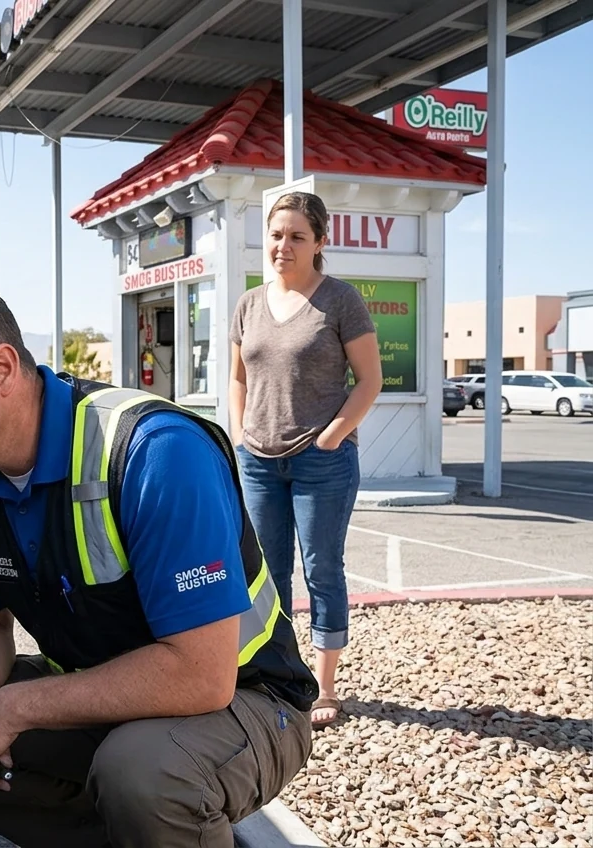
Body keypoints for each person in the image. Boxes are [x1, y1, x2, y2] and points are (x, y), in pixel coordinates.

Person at [0, 278, 319, 848]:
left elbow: (202, 676)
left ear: (3, 368)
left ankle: (158, 822)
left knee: (144, 777)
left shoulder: (154, 450)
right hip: (101, 692)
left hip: (246, 698)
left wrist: (10, 709)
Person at [228, 191, 384, 731]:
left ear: (319, 241)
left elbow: (370, 379)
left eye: (297, 236)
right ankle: (276, 675)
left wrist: (333, 436)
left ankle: (324, 686)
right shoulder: (249, 304)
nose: (283, 246)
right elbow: (237, 378)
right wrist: (240, 433)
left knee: (322, 569)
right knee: (265, 575)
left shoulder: (340, 300)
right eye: (276, 235)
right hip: (259, 461)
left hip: (322, 462)